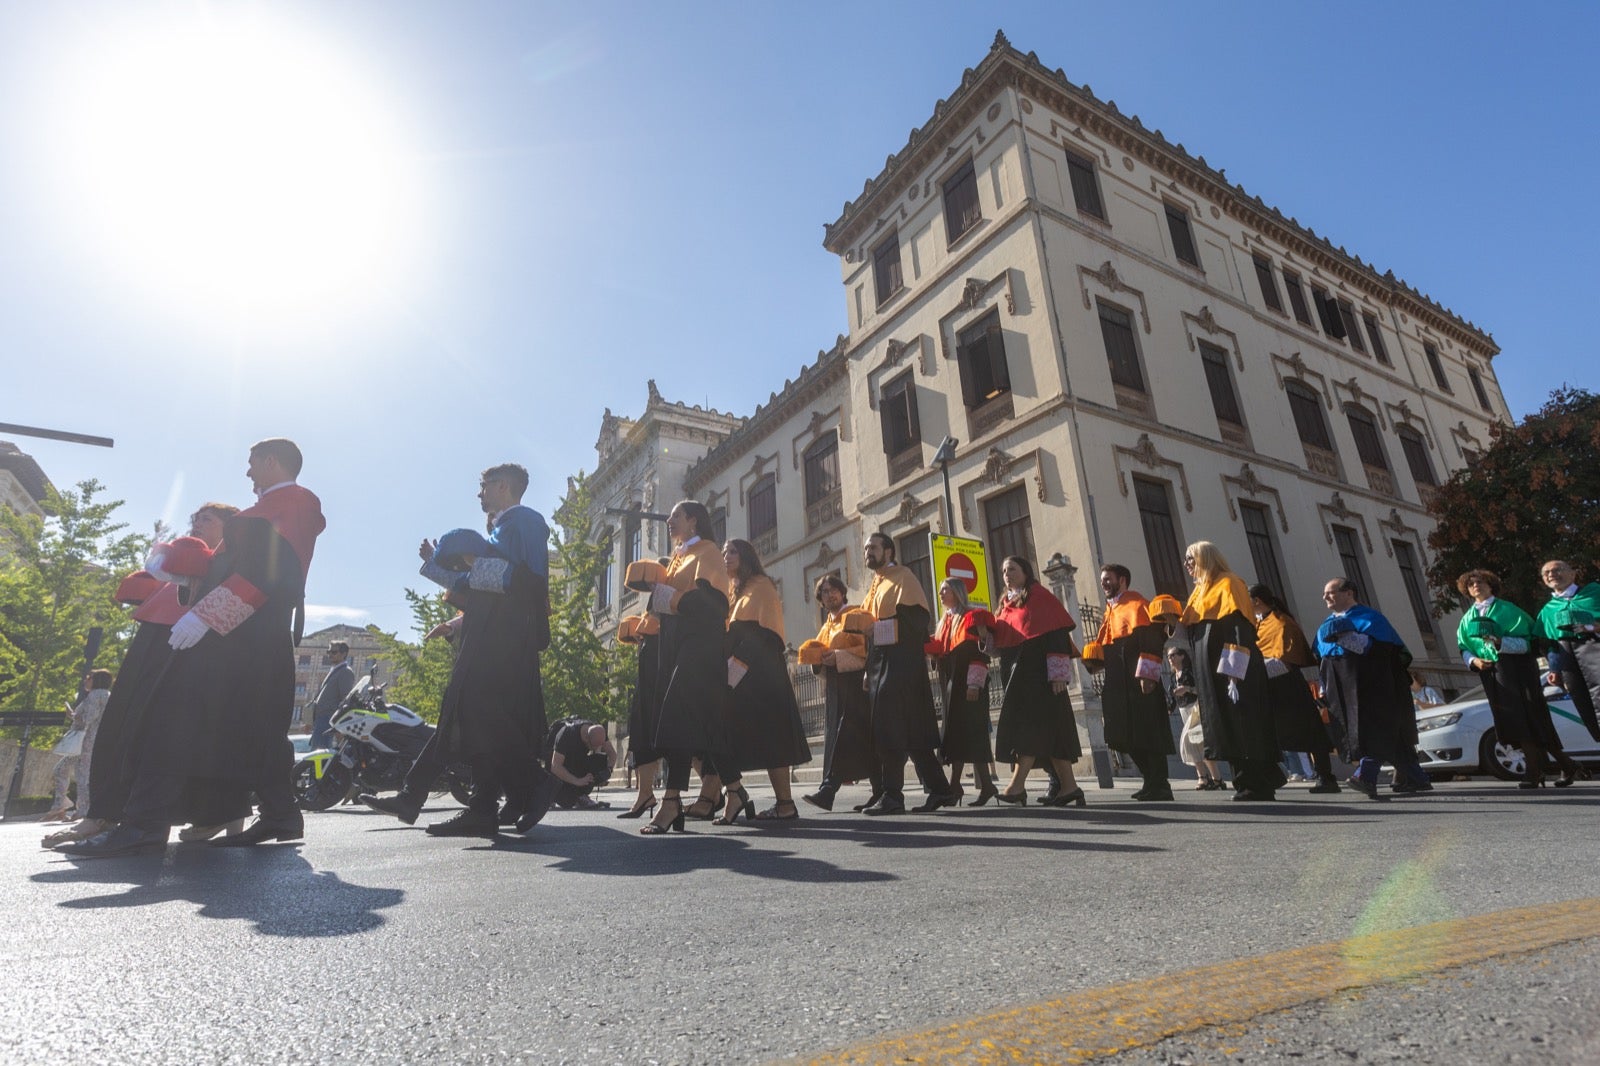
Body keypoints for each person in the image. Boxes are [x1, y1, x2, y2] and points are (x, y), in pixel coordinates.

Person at [68, 439, 326, 857]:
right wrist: (182, 576)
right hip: (243, 630)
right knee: (251, 728)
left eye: (252, 463)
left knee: (172, 714)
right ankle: (278, 813)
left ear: (271, 461)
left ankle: (145, 823)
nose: (247, 473)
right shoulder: (269, 509)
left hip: (245, 631)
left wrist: (208, 614)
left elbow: (271, 573)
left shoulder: (295, 501)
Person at [49, 505, 249, 850]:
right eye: (195, 518)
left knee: (175, 731)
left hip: (195, 644)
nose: (197, 524)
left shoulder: (233, 561)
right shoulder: (184, 557)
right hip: (158, 637)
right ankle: (103, 814)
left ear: (230, 528)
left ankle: (202, 815)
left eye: (207, 519)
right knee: (126, 724)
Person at [367, 463, 551, 838]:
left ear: (502, 486)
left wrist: (470, 559)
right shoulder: (502, 529)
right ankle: (478, 806)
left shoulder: (526, 521)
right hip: (488, 634)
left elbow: (528, 582)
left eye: (483, 486)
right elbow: (475, 586)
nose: (479, 494)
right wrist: (437, 563)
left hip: (505, 638)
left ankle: (532, 784)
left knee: (475, 710)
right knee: (466, 713)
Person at [639, 500, 730, 835]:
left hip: (700, 646)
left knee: (678, 718)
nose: (668, 519)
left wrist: (670, 599)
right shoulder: (679, 556)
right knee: (692, 725)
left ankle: (673, 799)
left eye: (675, 515)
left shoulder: (708, 552)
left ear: (693, 521)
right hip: (676, 644)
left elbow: (714, 604)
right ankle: (731, 791)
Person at [1455, 569, 1587, 789]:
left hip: (1517, 669)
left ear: (1491, 585)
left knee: (1528, 718)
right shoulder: (1467, 619)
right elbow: (1463, 647)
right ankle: (1565, 764)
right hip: (1490, 673)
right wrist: (1474, 661)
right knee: (1513, 721)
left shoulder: (1508, 609)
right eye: (1471, 585)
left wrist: (1500, 643)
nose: (1476, 586)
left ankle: (1535, 772)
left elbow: (1528, 642)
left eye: (1481, 582)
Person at [713, 539, 813, 823]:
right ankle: (730, 793)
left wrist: (737, 664)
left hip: (762, 673)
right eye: (723, 552)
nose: (726, 557)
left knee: (773, 738)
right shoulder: (735, 591)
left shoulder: (761, 585)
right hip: (741, 671)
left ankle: (785, 804)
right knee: (726, 733)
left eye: (732, 551)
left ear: (746, 556)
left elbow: (766, 635)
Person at [858, 531, 956, 815]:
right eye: (865, 549)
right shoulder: (875, 585)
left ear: (888, 551)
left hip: (902, 667)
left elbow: (917, 620)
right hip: (881, 666)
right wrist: (868, 669)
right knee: (913, 734)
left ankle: (892, 796)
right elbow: (869, 631)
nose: (868, 553)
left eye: (873, 548)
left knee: (891, 730)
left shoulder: (904, 577)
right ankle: (940, 790)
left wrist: (877, 630)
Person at [1178, 541, 1284, 802]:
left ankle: (1255, 783)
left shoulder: (1229, 583)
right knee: (1226, 723)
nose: (1187, 565)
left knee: (1243, 722)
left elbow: (1239, 630)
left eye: (1191, 559)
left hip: (1232, 669)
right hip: (1209, 671)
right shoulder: (1198, 592)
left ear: (1206, 558)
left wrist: (1234, 671)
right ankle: (1252, 778)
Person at [1314, 577, 1427, 800]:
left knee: (1373, 729)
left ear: (1349, 593)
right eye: (1324, 593)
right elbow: (1322, 658)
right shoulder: (1325, 623)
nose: (1325, 597)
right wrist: (1323, 688)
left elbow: (1379, 652)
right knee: (1389, 737)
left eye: (1331, 592)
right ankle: (1417, 778)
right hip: (1340, 687)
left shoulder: (1371, 618)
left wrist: (1345, 637)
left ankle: (1365, 776)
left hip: (1370, 685)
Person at [987, 555, 1086, 807]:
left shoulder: (1039, 596)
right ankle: (1069, 786)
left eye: (1012, 569)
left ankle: (1017, 786)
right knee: (1051, 732)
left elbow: (1055, 635)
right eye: (1003, 570)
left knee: (1028, 729)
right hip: (1016, 674)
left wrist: (1058, 675)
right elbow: (1000, 642)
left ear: (1025, 572)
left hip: (1039, 675)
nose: (1007, 574)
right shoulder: (1005, 604)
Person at [1085, 565, 1174, 801]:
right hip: (1117, 684)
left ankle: (1160, 784)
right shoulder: (1110, 611)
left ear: (1122, 580)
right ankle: (1149, 780)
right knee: (1122, 733)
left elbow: (1152, 640)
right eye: (1102, 580)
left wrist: (1148, 675)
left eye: (1108, 579)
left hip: (1138, 681)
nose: (1103, 583)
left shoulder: (1138, 604)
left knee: (1147, 731)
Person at [798, 575, 879, 811]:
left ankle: (828, 790)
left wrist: (838, 657)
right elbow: (824, 659)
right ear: (820, 599)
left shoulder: (857, 614)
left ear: (843, 592)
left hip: (857, 686)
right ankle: (879, 790)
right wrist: (816, 659)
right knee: (849, 738)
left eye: (833, 589)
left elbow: (868, 648)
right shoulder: (826, 626)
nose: (829, 594)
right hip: (835, 688)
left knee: (847, 736)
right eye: (824, 592)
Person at [1249, 585, 1340, 794]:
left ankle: (1326, 776)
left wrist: (1255, 672)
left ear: (1257, 601)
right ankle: (1272, 775)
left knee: (1310, 731)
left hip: (1288, 685)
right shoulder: (1257, 622)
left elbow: (1286, 660)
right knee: (1266, 733)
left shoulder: (1282, 622)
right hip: (1267, 686)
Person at [924, 578, 997, 805]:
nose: (941, 593)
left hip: (967, 682)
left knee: (971, 732)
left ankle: (958, 786)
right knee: (958, 733)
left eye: (945, 589)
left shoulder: (972, 617)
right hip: (951, 683)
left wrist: (974, 684)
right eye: (940, 590)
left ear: (957, 592)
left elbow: (979, 655)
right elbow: (940, 650)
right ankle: (983, 786)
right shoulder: (944, 621)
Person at [1535, 559, 1600, 743]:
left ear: (1573, 574)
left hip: (1596, 651)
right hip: (1570, 663)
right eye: (1546, 573)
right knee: (1586, 707)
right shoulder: (1547, 610)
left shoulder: (1595, 592)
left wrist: (1595, 627)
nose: (1551, 574)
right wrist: (1554, 669)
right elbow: (1551, 643)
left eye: (1557, 569)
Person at [44, 672, 112, 823]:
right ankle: (61, 806)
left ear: (97, 680)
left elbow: (88, 718)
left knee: (82, 775)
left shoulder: (96, 695)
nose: (85, 680)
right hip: (89, 740)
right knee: (62, 769)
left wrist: (73, 715)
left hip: (86, 741)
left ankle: (82, 810)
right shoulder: (105, 694)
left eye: (89, 678)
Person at [1166, 644, 1223, 789]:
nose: (1170, 659)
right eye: (1168, 656)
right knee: (1195, 743)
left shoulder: (1190, 673)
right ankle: (1206, 777)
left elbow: (1203, 689)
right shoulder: (1173, 676)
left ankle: (1212, 777)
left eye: (1173, 655)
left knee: (1194, 741)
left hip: (1196, 708)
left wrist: (1187, 689)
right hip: (1183, 709)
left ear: (1182, 656)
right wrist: (1170, 708)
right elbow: (1172, 696)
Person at [546, 718, 616, 810]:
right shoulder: (567, 733)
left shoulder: (597, 731)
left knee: (600, 762)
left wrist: (608, 770)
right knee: (568, 802)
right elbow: (555, 766)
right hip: (560, 770)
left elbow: (612, 753)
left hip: (577, 763)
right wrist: (577, 781)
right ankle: (554, 796)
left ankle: (581, 795)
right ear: (587, 738)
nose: (596, 749)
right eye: (593, 746)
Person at [308, 640, 356, 750]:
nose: (330, 655)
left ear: (344, 654)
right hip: (322, 720)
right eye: (328, 651)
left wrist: (338, 724)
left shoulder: (345, 672)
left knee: (321, 756)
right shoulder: (335, 671)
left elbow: (345, 699)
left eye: (334, 652)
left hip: (329, 719)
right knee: (317, 755)